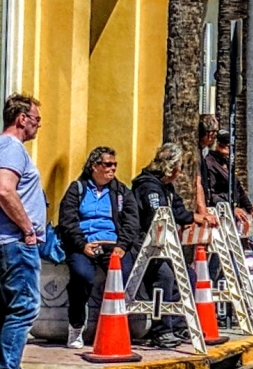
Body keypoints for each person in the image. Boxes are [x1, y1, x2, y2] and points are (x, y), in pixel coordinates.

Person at [56, 147, 143, 348]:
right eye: (107, 164)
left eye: (114, 165)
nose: (112, 169)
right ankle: (76, 326)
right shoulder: (77, 189)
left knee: (124, 275)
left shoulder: (121, 191)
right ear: (94, 166)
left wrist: (121, 246)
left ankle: (116, 326)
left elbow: (132, 222)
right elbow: (67, 220)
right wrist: (82, 244)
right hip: (84, 244)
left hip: (112, 245)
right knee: (81, 275)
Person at [0, 95, 45, 369]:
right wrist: (27, 228)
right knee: (23, 308)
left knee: (7, 310)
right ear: (21, 119)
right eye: (36, 119)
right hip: (16, 244)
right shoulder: (11, 148)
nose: (38, 125)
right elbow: (4, 189)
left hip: (10, 243)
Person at [130, 144, 196, 348]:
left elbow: (178, 211)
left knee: (189, 275)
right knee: (165, 276)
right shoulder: (148, 187)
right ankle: (162, 329)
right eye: (180, 166)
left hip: (165, 245)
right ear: (172, 167)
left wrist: (195, 218)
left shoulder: (166, 187)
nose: (181, 171)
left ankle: (178, 324)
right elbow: (156, 216)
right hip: (145, 247)